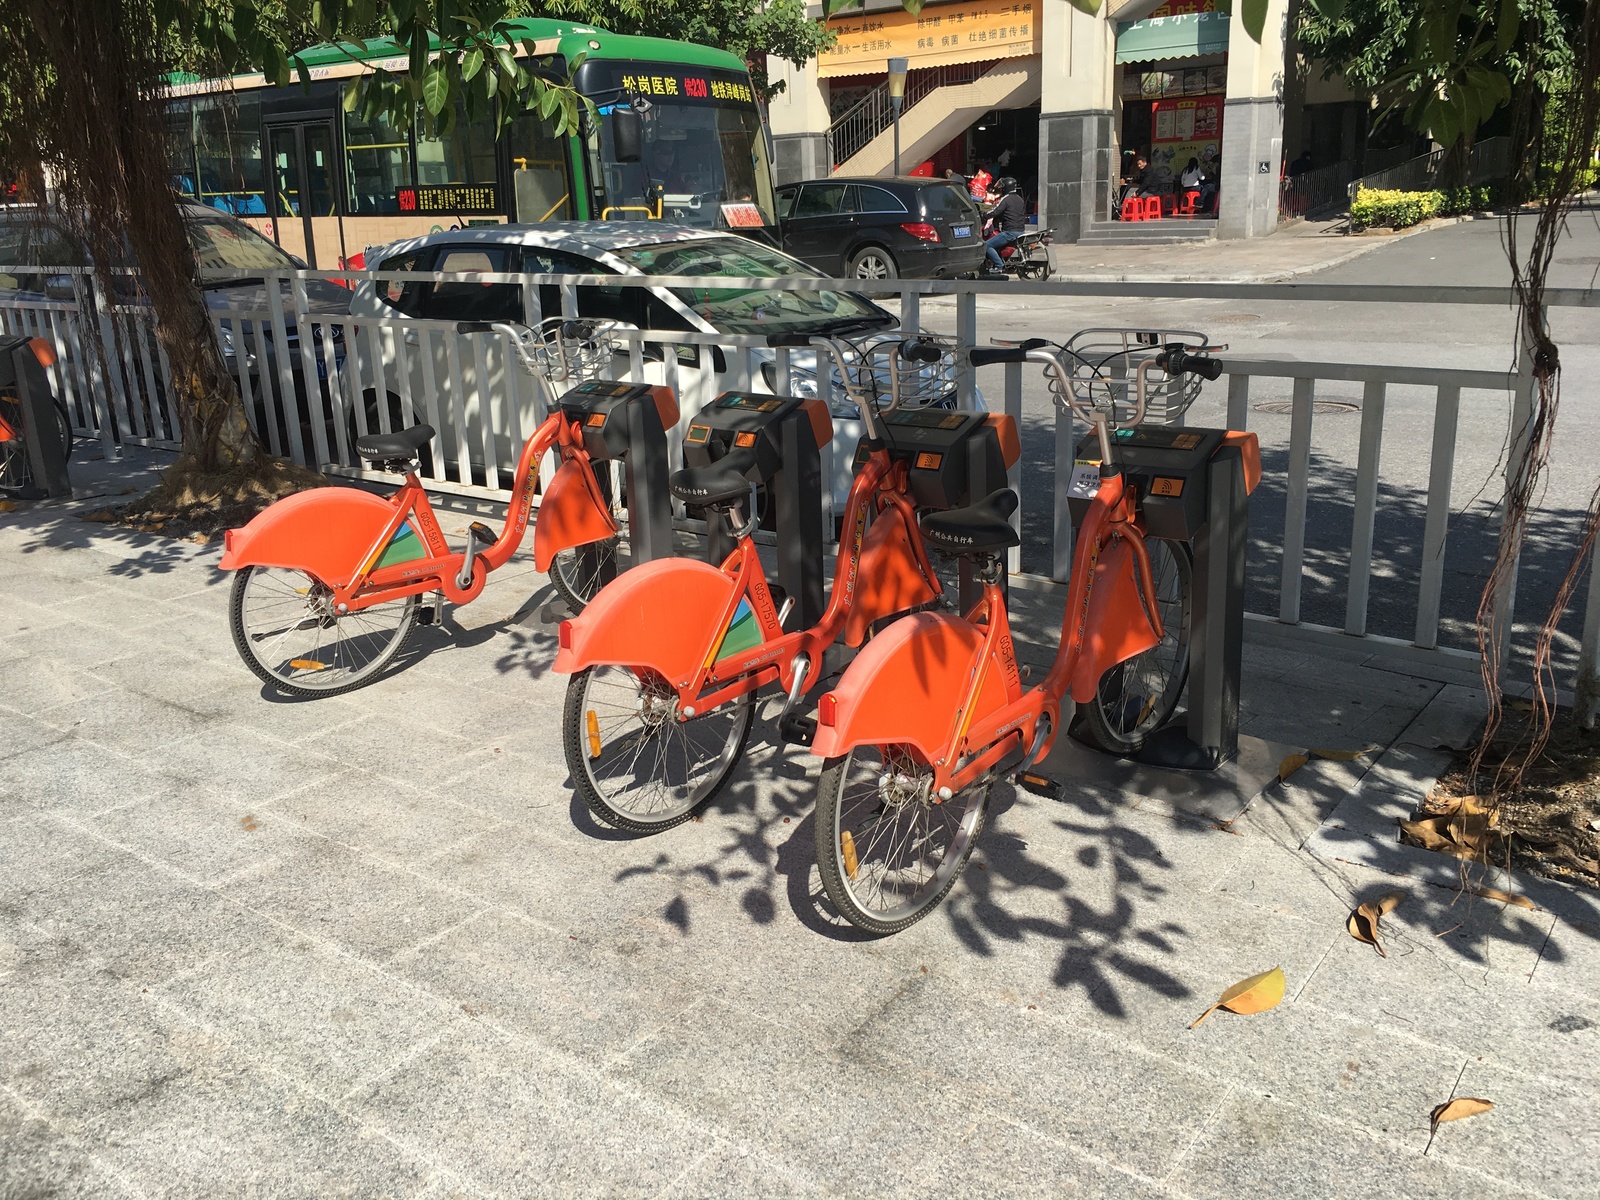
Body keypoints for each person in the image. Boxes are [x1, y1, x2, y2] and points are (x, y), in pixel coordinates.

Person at [982, 176, 1026, 276]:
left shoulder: (1005, 199)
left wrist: (984, 215)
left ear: (1006, 187)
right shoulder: (1020, 199)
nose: (1001, 189)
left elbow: (995, 211)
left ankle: (999, 265)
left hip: (1010, 232)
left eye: (1002, 187)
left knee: (987, 245)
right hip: (1021, 230)